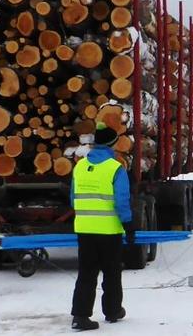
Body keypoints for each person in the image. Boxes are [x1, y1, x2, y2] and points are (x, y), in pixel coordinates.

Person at [70, 123, 132, 331]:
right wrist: (129, 224)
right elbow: (121, 200)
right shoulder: (115, 168)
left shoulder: (79, 166)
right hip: (109, 230)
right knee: (112, 272)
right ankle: (113, 310)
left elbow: (73, 199)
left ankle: (80, 316)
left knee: (86, 274)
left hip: (84, 229)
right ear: (112, 144)